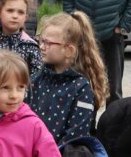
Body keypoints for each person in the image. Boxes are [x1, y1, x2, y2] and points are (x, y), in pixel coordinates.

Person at [26, 11, 108, 144]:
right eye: (41, 40)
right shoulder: (36, 79)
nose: (41, 47)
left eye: (48, 43)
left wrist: (49, 156)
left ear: (69, 50)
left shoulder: (81, 88)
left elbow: (76, 135)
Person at [0, 0, 43, 79]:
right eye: (10, 10)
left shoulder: (31, 46)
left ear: (26, 17)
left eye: (20, 12)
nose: (15, 16)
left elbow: (37, 79)